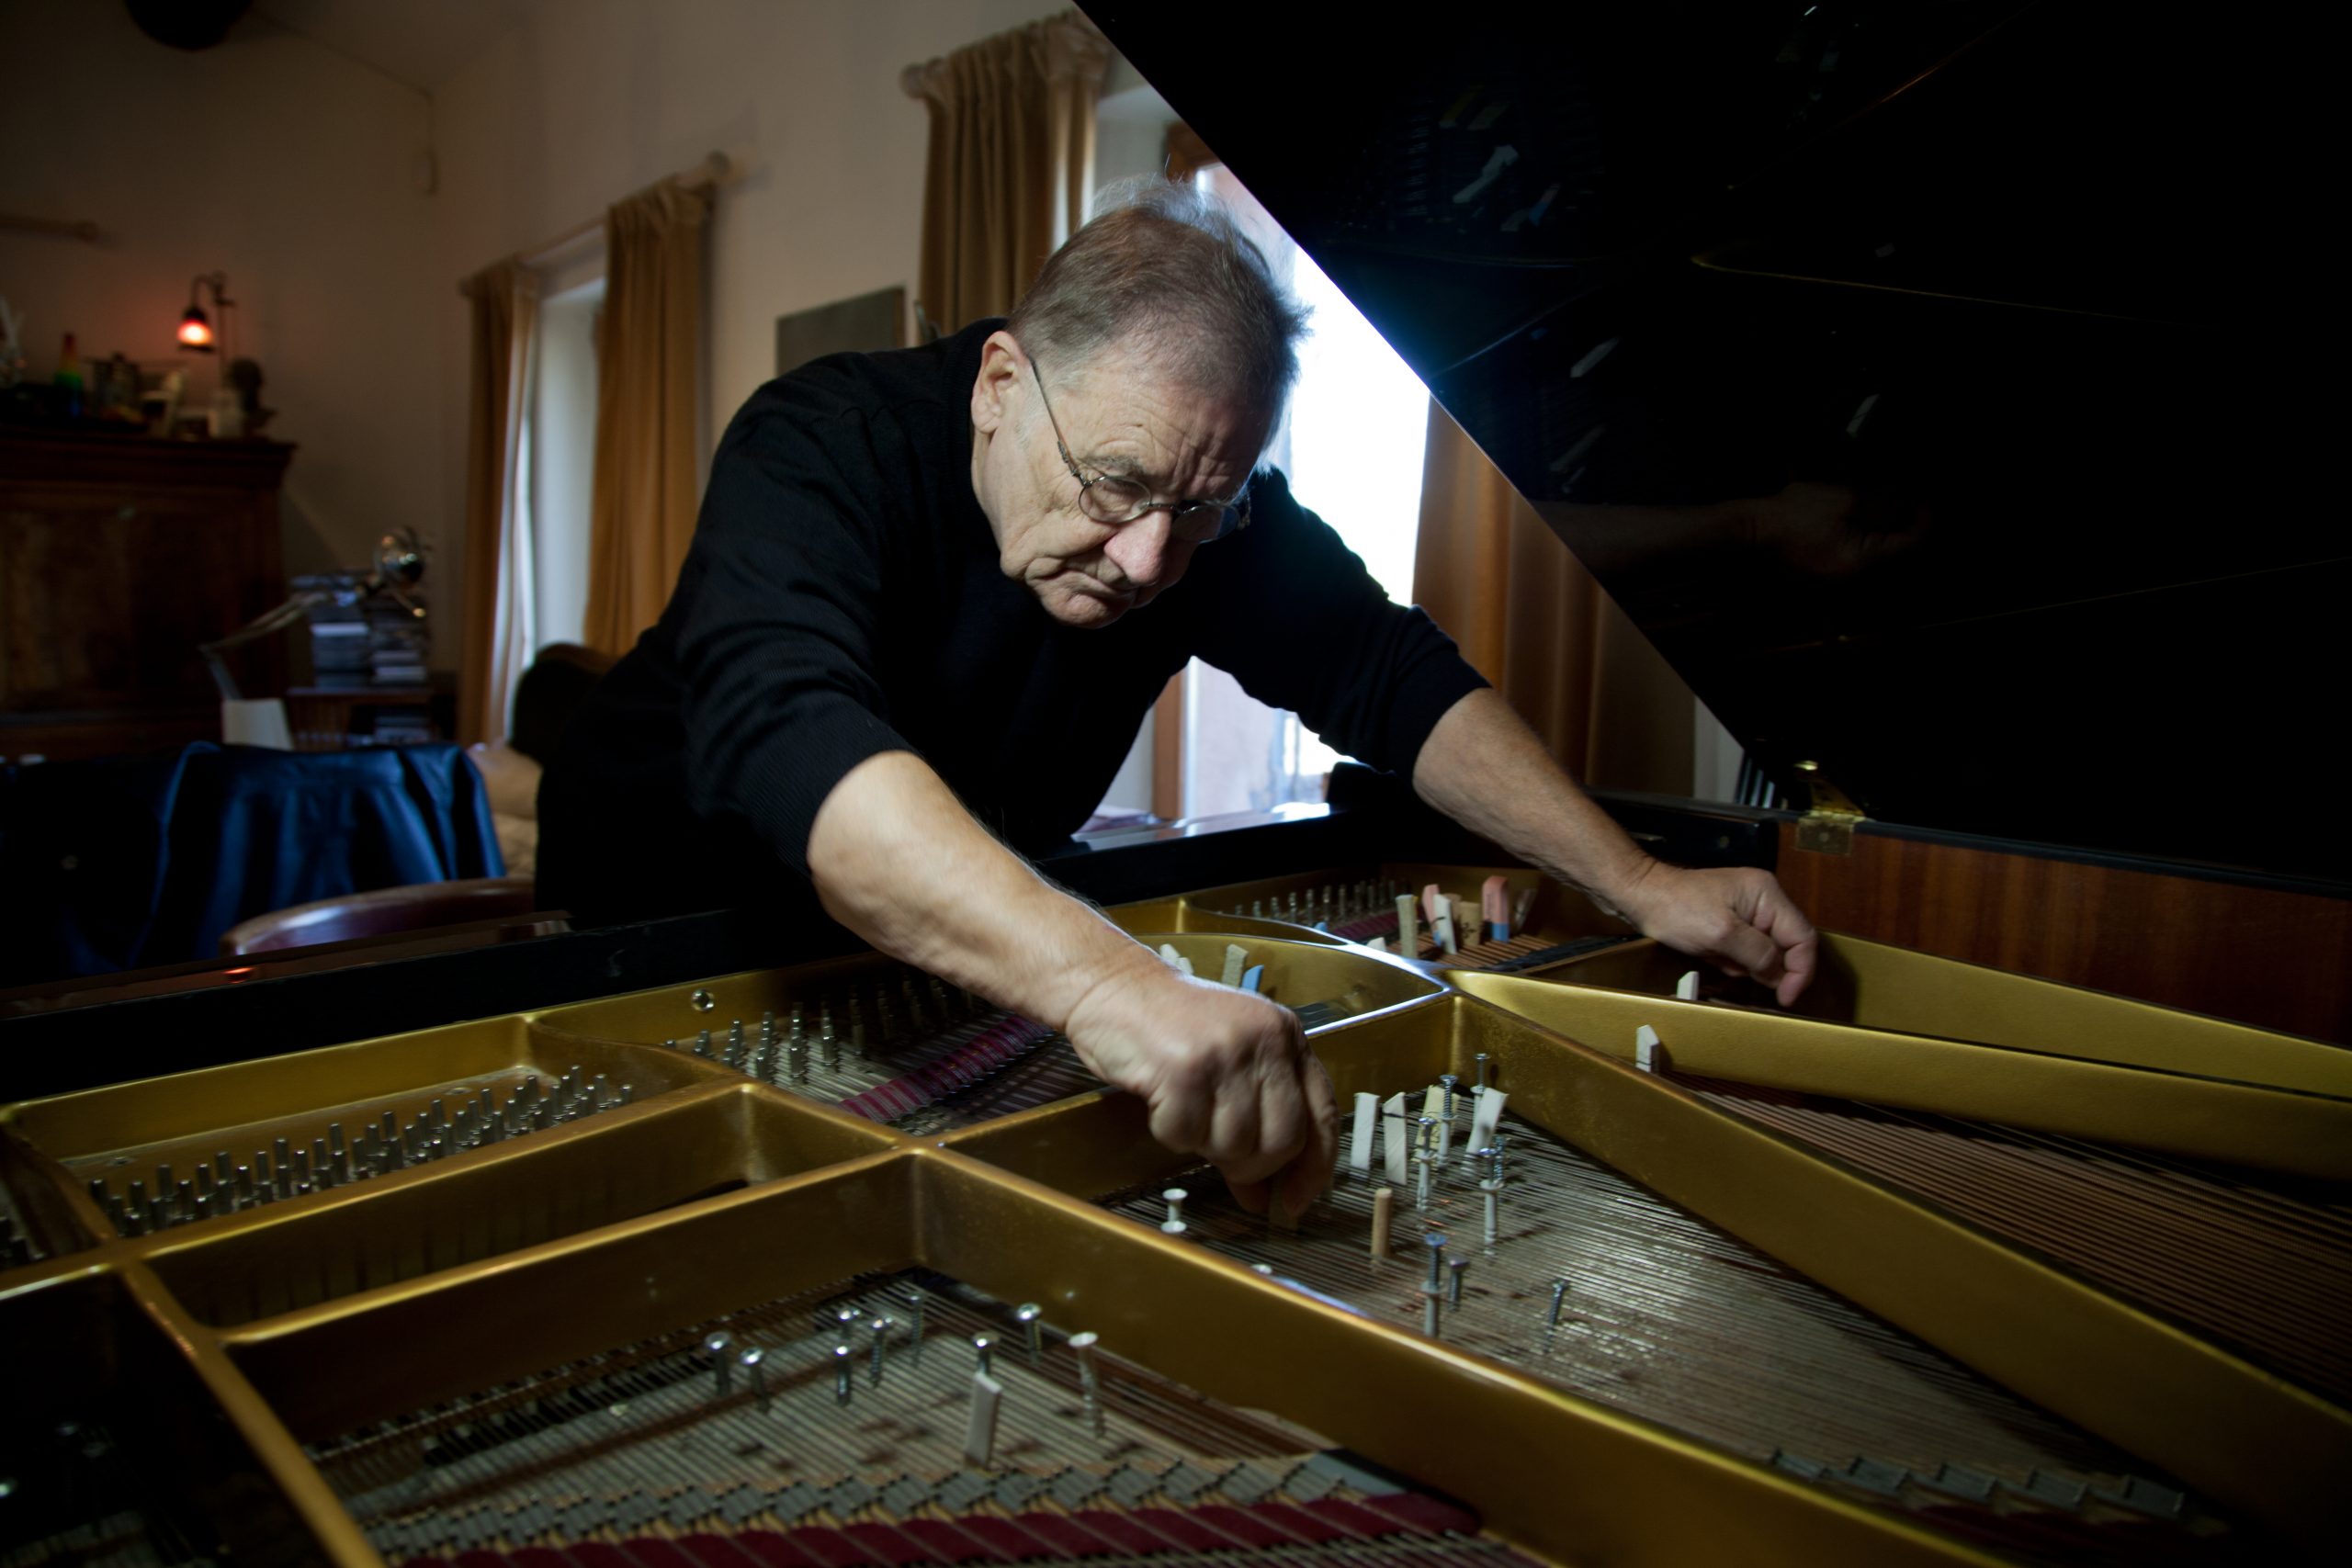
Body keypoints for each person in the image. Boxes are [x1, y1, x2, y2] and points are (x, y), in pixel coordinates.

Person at [538, 177, 1817, 1221]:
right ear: (999, 387)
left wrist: (1637, 881)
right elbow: (797, 742)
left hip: (939, 944)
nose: (1151, 560)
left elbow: (1385, 671)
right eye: (1115, 484)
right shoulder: (820, 440)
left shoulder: (1203, 504)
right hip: (653, 938)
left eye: (1199, 510)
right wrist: (1113, 987)